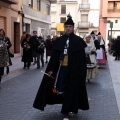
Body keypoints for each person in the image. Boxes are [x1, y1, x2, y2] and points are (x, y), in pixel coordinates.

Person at [33, 15, 89, 120]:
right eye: (66, 26)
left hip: (73, 71)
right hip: (62, 70)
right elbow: (54, 58)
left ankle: (66, 111)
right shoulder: (59, 41)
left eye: (70, 26)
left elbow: (82, 61)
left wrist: (82, 74)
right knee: (61, 89)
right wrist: (50, 70)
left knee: (71, 90)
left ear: (73, 28)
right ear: (64, 28)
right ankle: (67, 106)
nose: (68, 28)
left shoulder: (78, 41)